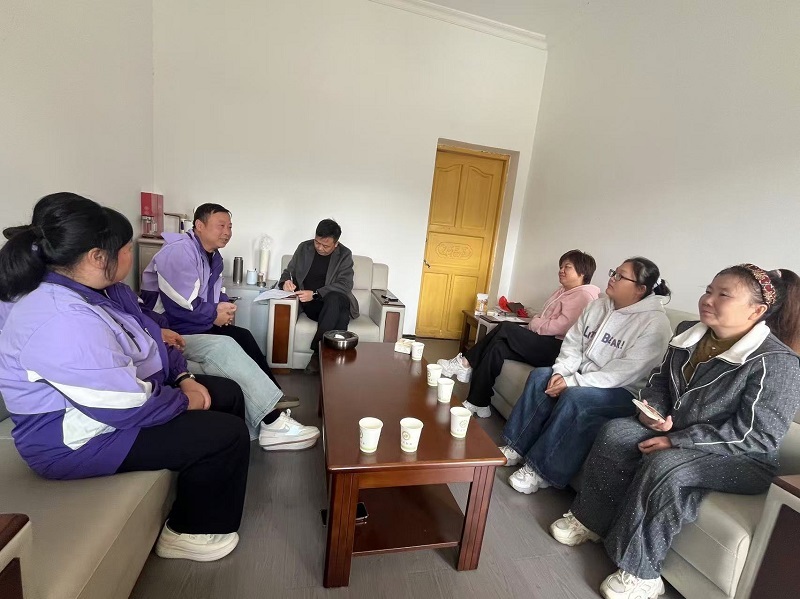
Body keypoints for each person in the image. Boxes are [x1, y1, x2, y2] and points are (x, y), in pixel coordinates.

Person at [0, 193, 250, 562]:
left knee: (227, 393)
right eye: (127, 249)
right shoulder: (60, 317)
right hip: (76, 440)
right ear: (97, 257)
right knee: (225, 434)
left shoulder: (105, 292)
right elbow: (123, 405)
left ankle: (214, 483)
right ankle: (189, 532)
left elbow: (153, 338)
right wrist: (185, 399)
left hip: (117, 405)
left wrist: (183, 377)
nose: (132, 256)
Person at [549, 264, 800, 599]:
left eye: (723, 295)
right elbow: (658, 383)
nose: (708, 299)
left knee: (666, 466)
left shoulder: (777, 362)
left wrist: (677, 440)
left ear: (756, 311)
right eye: (709, 290)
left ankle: (642, 573)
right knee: (617, 433)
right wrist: (652, 413)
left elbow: (757, 436)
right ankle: (590, 519)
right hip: (678, 431)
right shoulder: (687, 334)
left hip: (743, 457)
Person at [141, 203, 318, 450]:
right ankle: (271, 418)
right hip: (172, 327)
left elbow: (215, 293)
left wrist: (226, 307)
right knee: (228, 342)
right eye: (221, 226)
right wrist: (214, 315)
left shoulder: (213, 257)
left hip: (191, 321)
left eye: (230, 227)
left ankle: (272, 399)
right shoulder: (179, 252)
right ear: (199, 225)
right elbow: (182, 306)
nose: (227, 232)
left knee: (243, 335)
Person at [499, 257, 673, 495]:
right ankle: (516, 446)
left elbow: (623, 373)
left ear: (640, 289)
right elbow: (572, 344)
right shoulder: (598, 306)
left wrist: (573, 383)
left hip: (623, 390)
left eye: (620, 276)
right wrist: (562, 372)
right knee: (541, 377)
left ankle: (541, 470)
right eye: (614, 272)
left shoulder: (655, 324)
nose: (612, 278)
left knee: (577, 399)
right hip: (582, 375)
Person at [438, 249, 601, 418]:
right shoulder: (563, 290)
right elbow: (545, 316)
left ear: (582, 272)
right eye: (561, 266)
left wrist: (535, 322)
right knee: (497, 347)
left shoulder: (584, 295)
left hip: (557, 348)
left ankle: (465, 362)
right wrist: (537, 320)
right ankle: (478, 402)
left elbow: (562, 326)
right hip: (544, 341)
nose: (561, 270)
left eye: (567, 267)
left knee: (506, 327)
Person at [278, 219, 358, 374]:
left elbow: (345, 284)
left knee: (334, 299)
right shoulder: (304, 248)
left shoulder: (344, 254)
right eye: (317, 242)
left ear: (336, 244)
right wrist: (285, 282)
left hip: (335, 299)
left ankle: (317, 353)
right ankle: (331, 365)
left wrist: (315, 293)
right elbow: (289, 271)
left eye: (325, 246)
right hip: (313, 306)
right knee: (341, 316)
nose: (320, 248)